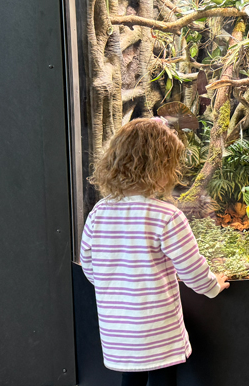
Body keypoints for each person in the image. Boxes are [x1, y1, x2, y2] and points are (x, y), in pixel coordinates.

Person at [79, 117, 230, 386]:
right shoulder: (166, 216)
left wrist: (117, 284)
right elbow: (192, 268)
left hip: (118, 332)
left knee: (131, 379)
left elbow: (90, 268)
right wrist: (213, 286)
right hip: (156, 330)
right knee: (163, 379)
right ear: (160, 167)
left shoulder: (98, 213)